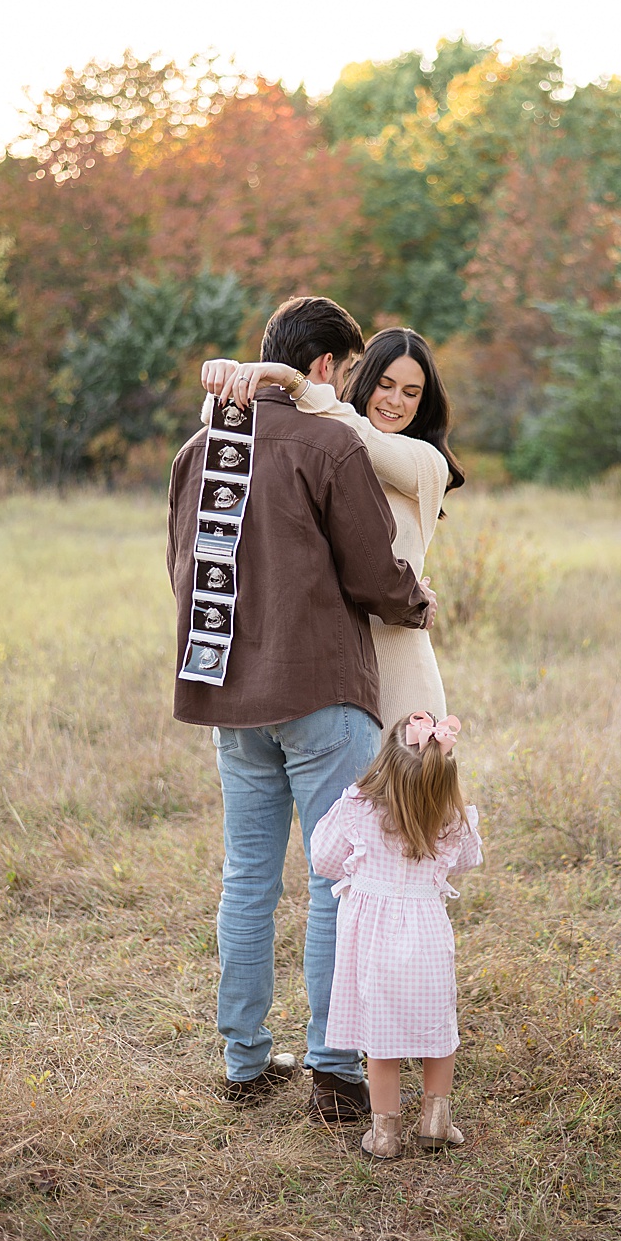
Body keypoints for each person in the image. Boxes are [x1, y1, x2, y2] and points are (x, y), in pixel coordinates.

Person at [168, 295, 434, 1123]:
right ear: (325, 367)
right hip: (321, 692)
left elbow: (181, 567)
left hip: (232, 696)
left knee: (247, 878)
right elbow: (372, 571)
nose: (351, 387)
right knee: (336, 883)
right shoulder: (325, 444)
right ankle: (331, 1068)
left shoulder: (198, 448)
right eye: (352, 372)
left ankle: (244, 1063)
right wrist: (415, 602)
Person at [203, 325, 464, 726]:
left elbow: (363, 441)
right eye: (385, 384)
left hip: (402, 672)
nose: (395, 401)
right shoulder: (322, 449)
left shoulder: (426, 463)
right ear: (363, 381)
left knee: (407, 789)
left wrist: (295, 382)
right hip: (333, 676)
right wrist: (225, 381)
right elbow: (235, 428)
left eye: (411, 393)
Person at [310, 710, 482, 1159]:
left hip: (369, 940)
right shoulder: (451, 818)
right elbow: (465, 861)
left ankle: (385, 1135)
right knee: (437, 1029)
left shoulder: (357, 808)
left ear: (385, 763)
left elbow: (324, 860)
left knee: (381, 1039)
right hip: (427, 935)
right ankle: (436, 1122)